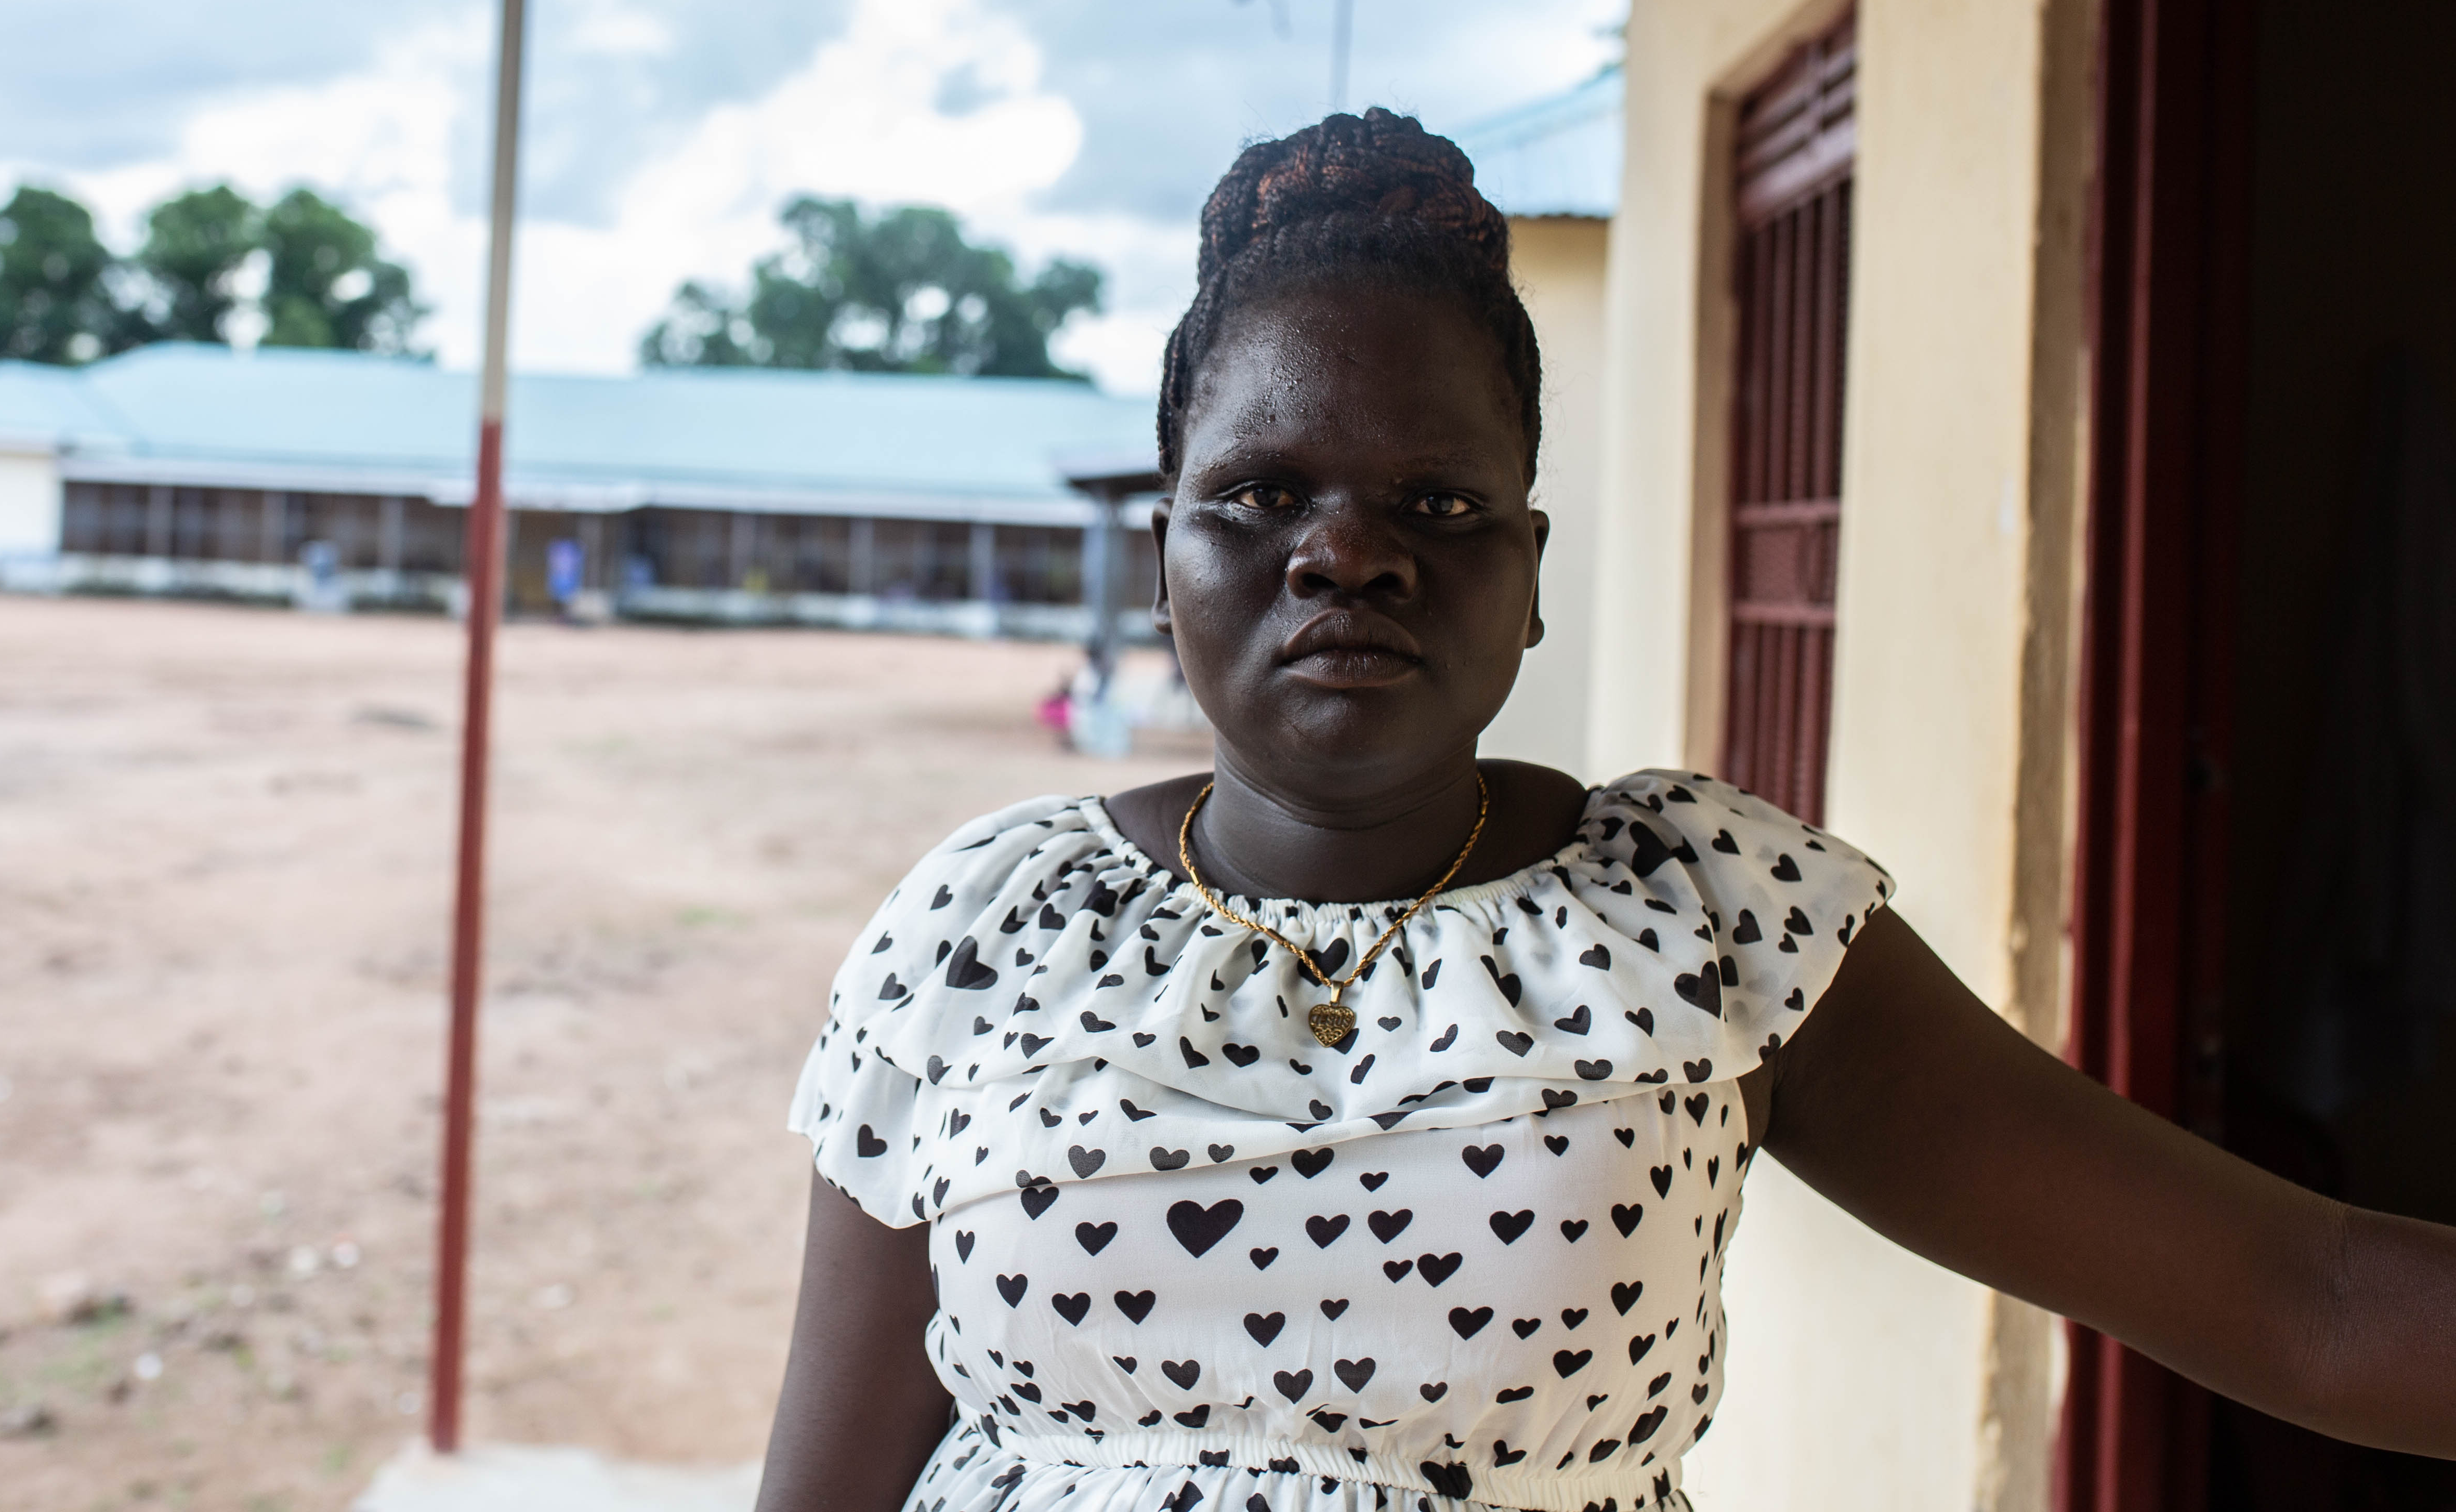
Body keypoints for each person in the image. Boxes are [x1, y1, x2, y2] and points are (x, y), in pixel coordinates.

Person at [754, 111, 2456, 1512]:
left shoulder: (1704, 920)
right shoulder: (985, 931)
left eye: (1440, 500)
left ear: (1533, 574)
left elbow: (2305, 1304)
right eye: (1264, 495)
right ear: (1166, 562)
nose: (1347, 552)